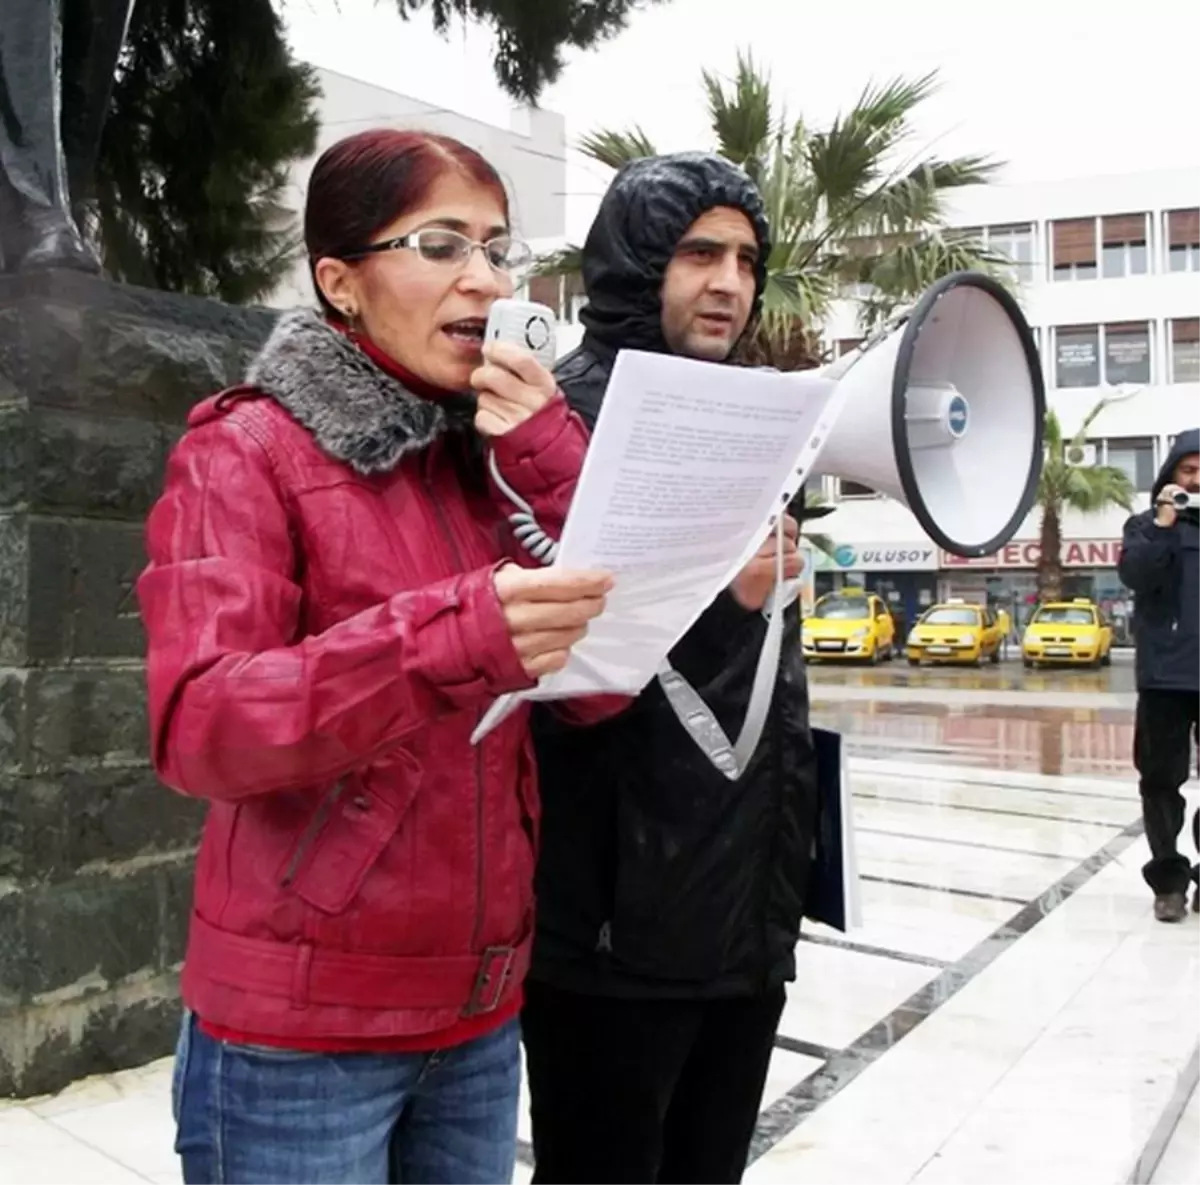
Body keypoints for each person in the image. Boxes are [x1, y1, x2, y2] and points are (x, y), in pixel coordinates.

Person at [137, 128, 623, 1185]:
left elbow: (606, 689)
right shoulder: (243, 451)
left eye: (500, 249)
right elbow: (201, 725)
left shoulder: (490, 456)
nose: (488, 280)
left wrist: (544, 452)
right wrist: (458, 635)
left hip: (482, 1015)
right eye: (442, 244)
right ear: (340, 282)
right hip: (300, 1039)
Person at [521, 152, 818, 1185]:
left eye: (745, 256)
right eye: (699, 253)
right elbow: (544, 682)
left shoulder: (755, 417)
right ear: (638, 260)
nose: (729, 282)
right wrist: (726, 604)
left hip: (743, 921)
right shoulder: (549, 424)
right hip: (613, 935)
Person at [1117, 429, 1200, 923]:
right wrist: (1167, 523)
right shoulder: (1145, 525)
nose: (1196, 478)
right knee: (1160, 783)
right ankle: (1168, 883)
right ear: (1170, 476)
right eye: (1188, 470)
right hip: (1165, 676)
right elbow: (1137, 576)